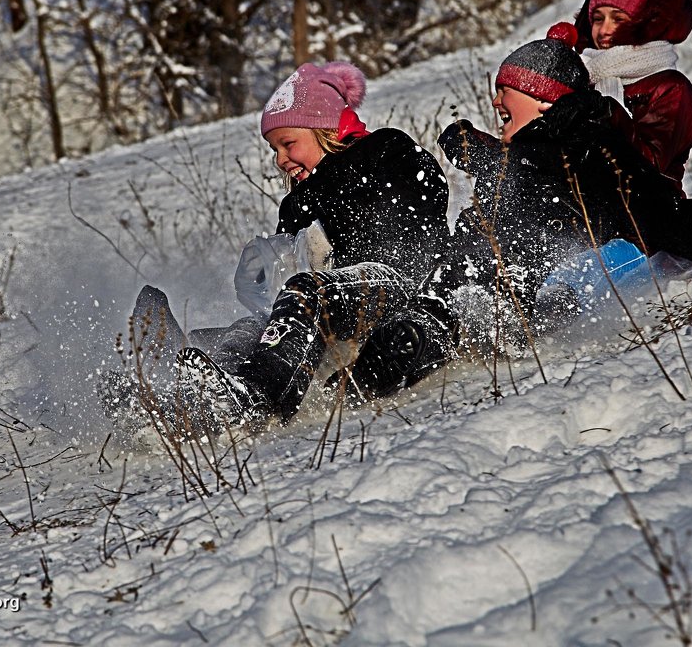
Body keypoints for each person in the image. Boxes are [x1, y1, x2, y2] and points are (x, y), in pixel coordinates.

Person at [347, 25, 692, 394]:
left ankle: (355, 391)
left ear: (543, 98)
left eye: (506, 90)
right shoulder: (534, 149)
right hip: (483, 275)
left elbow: (655, 209)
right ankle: (347, 387)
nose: (495, 100)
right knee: (423, 312)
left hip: (534, 286)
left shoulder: (590, 145)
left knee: (429, 320)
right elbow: (510, 188)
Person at [107, 61, 450, 437]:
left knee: (307, 292)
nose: (280, 159)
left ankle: (255, 399)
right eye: (274, 148)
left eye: (288, 144)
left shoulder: (384, 149)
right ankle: (195, 393)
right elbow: (289, 279)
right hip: (331, 304)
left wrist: (327, 225)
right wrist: (273, 268)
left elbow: (425, 197)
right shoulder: (296, 202)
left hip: (398, 284)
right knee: (253, 325)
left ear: (326, 129)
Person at [572, 0, 692, 196]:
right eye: (598, 18)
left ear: (644, 21)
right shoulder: (584, 76)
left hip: (650, 214)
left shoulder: (671, 87)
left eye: (618, 19)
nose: (605, 30)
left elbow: (649, 168)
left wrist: (606, 111)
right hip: (586, 208)